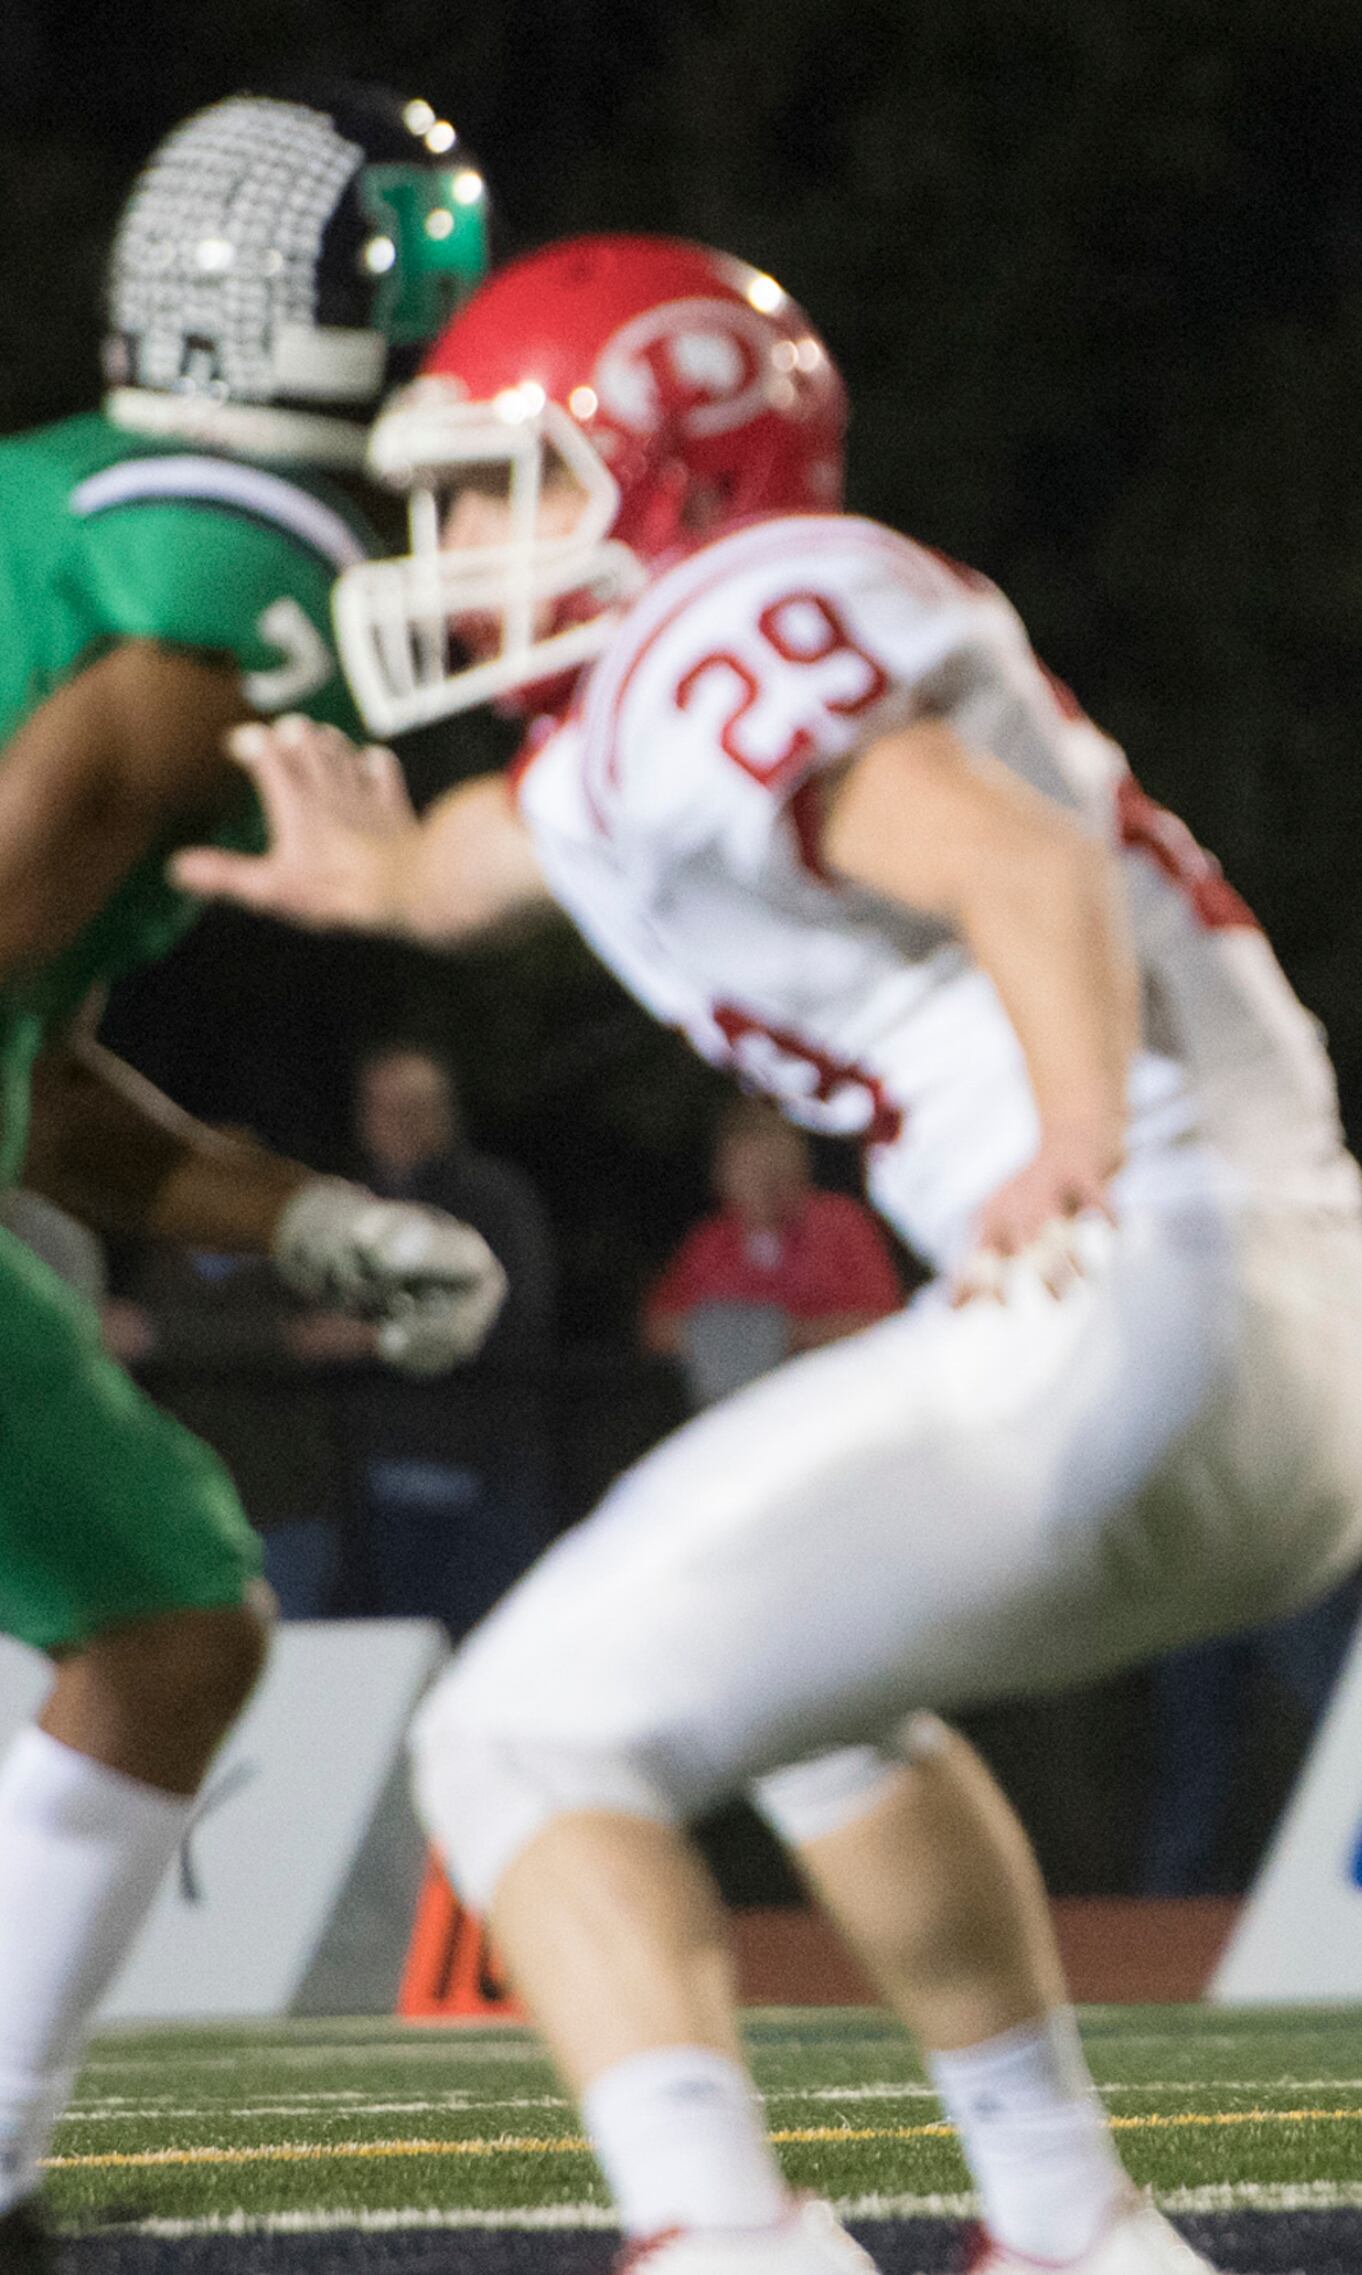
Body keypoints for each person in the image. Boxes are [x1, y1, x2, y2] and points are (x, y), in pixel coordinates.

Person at [183, 235, 1362, 2274]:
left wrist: (1079, 1138)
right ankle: (1069, 2225)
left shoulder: (729, 622)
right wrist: (373, 878)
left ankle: (723, 2239)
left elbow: (1009, 860)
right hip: (1294, 1364)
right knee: (820, 1705)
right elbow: (489, 856)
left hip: (1132, 1290)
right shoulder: (630, 726)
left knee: (513, 1740)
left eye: (498, 485)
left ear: (660, 476)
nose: (454, 540)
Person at [0, 92, 511, 2275]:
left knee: (168, 1610)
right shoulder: (226, 597)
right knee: (168, 1618)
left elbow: (19, 1056)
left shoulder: (65, 500)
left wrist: (289, 1215)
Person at [323, 1041, 556, 1631]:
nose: (393, 1123)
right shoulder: (346, 1205)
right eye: (380, 1107)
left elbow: (519, 1313)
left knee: (490, 1641)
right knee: (394, 1651)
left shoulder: (493, 1199)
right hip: (375, 1475)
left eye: (411, 1108)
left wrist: (381, 1335)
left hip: (484, 1468)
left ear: (443, 1113)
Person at [643, 1096, 903, 1403]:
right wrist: (748, 1333)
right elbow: (658, 1330)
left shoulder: (839, 1222)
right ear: (724, 1175)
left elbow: (885, 1322)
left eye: (776, 1170)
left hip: (840, 1396)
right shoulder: (711, 1241)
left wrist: (787, 1334)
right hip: (743, 1410)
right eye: (751, 1171)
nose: (764, 1184)